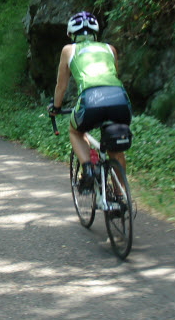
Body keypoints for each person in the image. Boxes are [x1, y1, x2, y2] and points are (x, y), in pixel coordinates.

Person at [48, 11, 132, 188]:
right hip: (119, 99)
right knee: (115, 150)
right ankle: (120, 198)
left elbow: (61, 86)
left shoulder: (68, 50)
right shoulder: (110, 49)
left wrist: (55, 107)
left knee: (75, 131)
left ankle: (88, 169)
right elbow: (114, 76)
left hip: (91, 100)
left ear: (71, 34)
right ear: (95, 33)